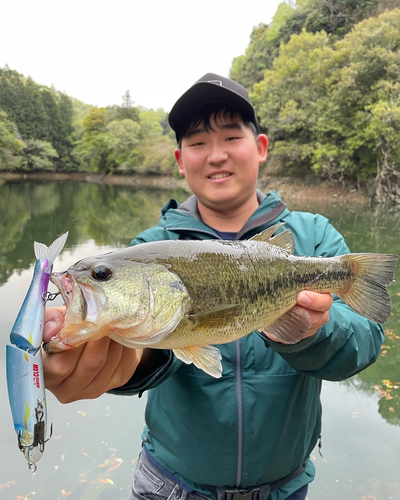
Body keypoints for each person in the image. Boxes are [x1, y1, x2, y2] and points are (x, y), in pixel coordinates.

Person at [43, 73, 385, 500]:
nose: (216, 155)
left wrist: (314, 332)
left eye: (230, 137)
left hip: (285, 487)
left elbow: (367, 342)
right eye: (198, 142)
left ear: (260, 148)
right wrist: (121, 362)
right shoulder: (148, 248)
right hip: (170, 486)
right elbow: (150, 351)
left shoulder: (314, 238)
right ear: (180, 159)